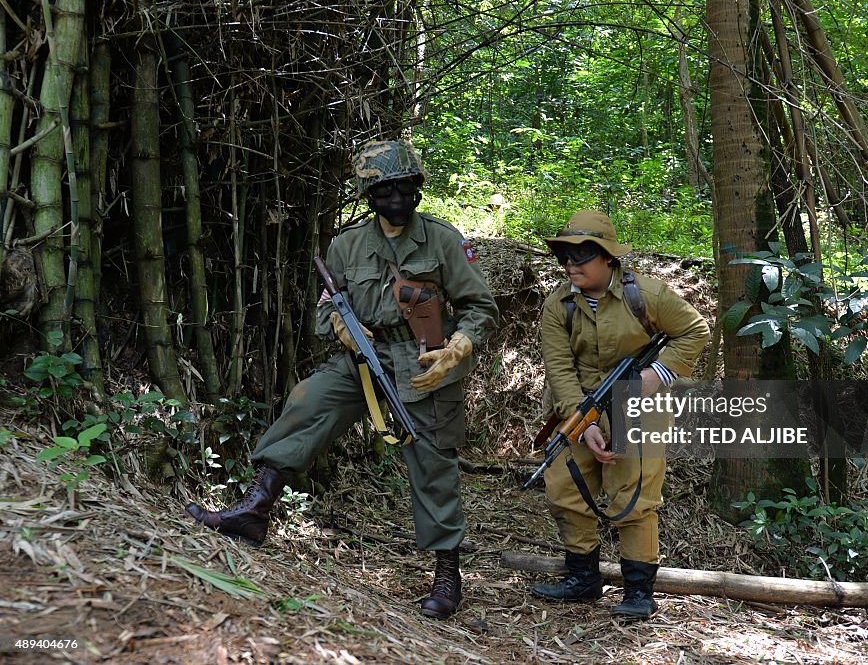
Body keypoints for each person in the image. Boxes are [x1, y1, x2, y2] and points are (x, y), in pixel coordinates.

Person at [185, 140, 499, 620]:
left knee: (432, 458)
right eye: (383, 187)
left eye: (403, 185)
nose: (395, 195)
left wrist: (459, 345)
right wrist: (336, 322)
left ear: (417, 188)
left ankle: (446, 571)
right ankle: (254, 507)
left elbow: (480, 307)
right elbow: (331, 300)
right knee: (309, 401)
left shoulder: (443, 239)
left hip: (423, 359)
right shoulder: (347, 243)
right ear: (369, 194)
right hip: (362, 358)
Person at [531, 210, 709, 618]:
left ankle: (638, 592)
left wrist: (658, 373)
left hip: (638, 404)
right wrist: (585, 421)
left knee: (634, 497)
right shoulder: (558, 304)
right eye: (565, 257)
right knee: (566, 489)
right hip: (576, 404)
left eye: (582, 256)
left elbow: (695, 330)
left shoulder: (646, 295)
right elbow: (559, 368)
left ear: (607, 257)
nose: (571, 265)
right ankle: (583, 579)